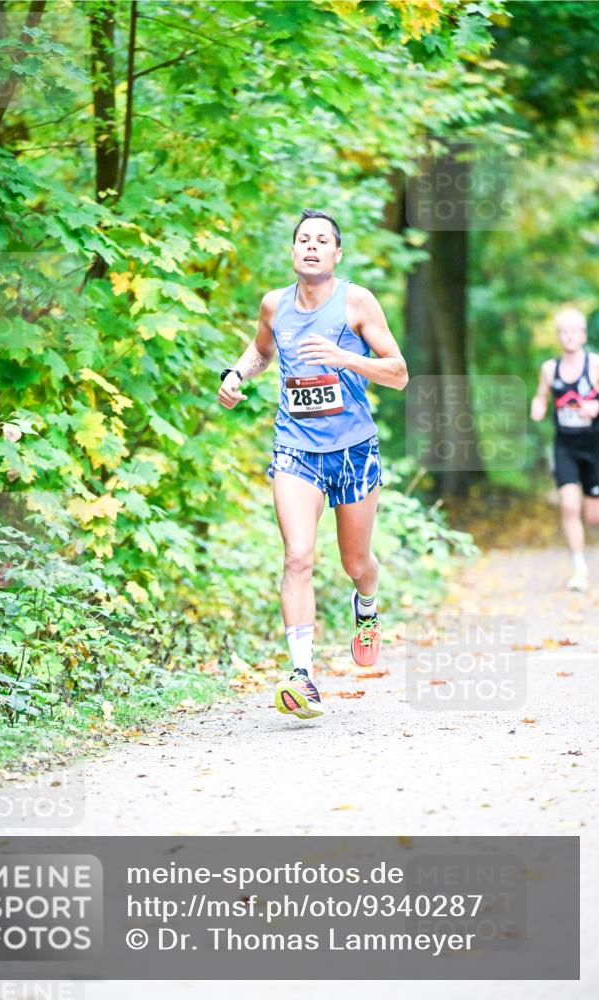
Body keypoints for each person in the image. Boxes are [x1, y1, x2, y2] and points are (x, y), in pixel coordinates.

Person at [218, 209, 408, 720]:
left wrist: (346, 358)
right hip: (295, 447)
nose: (311, 246)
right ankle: (302, 676)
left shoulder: (357, 301)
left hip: (353, 448)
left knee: (355, 563)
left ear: (336, 253)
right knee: (298, 555)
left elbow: (399, 373)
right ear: (293, 251)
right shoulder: (273, 305)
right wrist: (237, 374)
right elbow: (259, 352)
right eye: (304, 239)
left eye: (322, 240)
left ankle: (366, 603)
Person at [531, 306, 599, 591]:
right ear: (559, 337)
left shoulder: (595, 364)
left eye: (574, 332)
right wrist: (537, 407)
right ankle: (580, 569)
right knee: (569, 507)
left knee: (592, 515)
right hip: (566, 446)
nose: (569, 337)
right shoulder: (550, 369)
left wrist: (596, 406)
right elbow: (541, 397)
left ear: (582, 335)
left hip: (595, 446)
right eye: (564, 332)